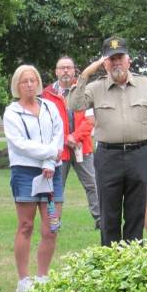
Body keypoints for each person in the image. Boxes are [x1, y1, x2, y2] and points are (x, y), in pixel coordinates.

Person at [69, 36, 147, 244]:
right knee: (109, 216)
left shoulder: (145, 84)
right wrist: (86, 74)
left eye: (120, 57)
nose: (116, 63)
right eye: (111, 59)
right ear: (104, 63)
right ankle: (109, 265)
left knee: (135, 215)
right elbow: (75, 105)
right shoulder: (96, 87)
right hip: (108, 157)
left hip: (139, 155)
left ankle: (132, 265)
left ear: (128, 60)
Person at [4, 65, 63, 292]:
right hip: (26, 172)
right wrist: (49, 154)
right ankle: (23, 280)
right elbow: (19, 144)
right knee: (26, 225)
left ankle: (43, 276)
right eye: (24, 81)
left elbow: (58, 135)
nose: (29, 85)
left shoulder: (50, 107)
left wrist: (50, 162)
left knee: (51, 226)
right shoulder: (12, 112)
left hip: (52, 173)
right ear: (17, 85)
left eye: (33, 80)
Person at [42, 56, 101, 229]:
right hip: (59, 151)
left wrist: (75, 137)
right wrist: (63, 139)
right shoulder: (47, 94)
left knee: (93, 185)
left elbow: (90, 120)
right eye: (62, 68)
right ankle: (53, 222)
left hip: (82, 148)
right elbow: (46, 123)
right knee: (54, 188)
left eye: (69, 67)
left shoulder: (84, 90)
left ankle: (101, 220)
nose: (66, 71)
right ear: (56, 71)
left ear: (75, 70)